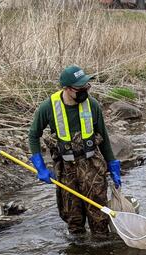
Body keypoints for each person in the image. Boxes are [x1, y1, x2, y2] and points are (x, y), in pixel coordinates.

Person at [28, 65, 122, 235]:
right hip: (66, 169)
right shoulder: (48, 107)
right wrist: (39, 165)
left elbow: (104, 137)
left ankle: (100, 252)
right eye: (80, 88)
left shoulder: (92, 105)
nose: (85, 91)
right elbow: (33, 135)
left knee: (99, 216)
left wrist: (112, 163)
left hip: (92, 165)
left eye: (87, 86)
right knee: (73, 218)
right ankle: (78, 252)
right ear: (66, 88)